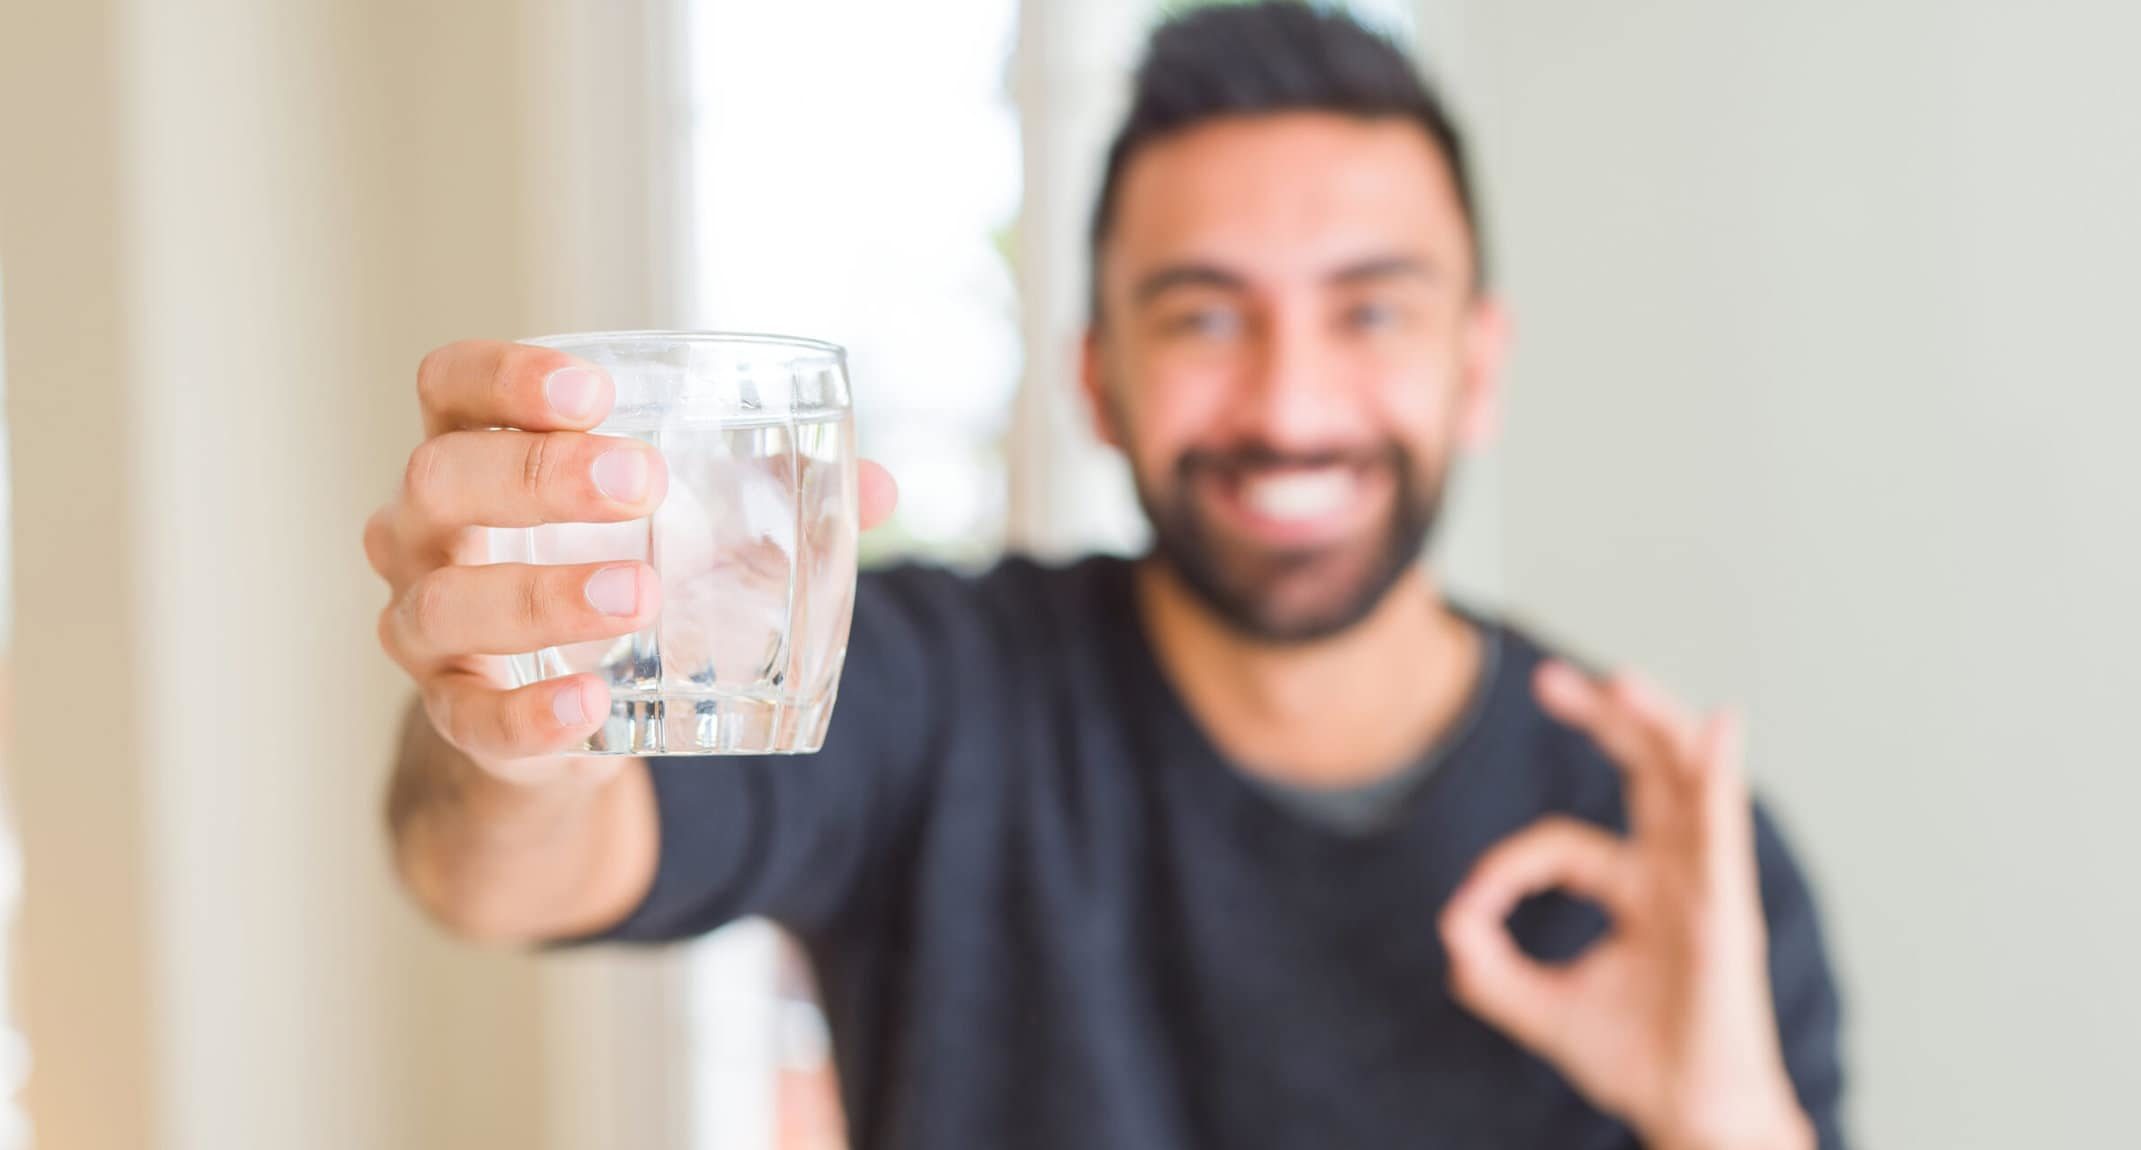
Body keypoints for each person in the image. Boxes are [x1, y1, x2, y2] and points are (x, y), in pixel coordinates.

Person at [367, 5, 1845, 1148]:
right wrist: (523, 733)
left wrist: (1723, 1121)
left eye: (1371, 312)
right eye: (1205, 318)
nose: (1291, 403)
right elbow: (505, 871)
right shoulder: (942, 690)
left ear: (1479, 367)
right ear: (1099, 379)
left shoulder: (1661, 859)